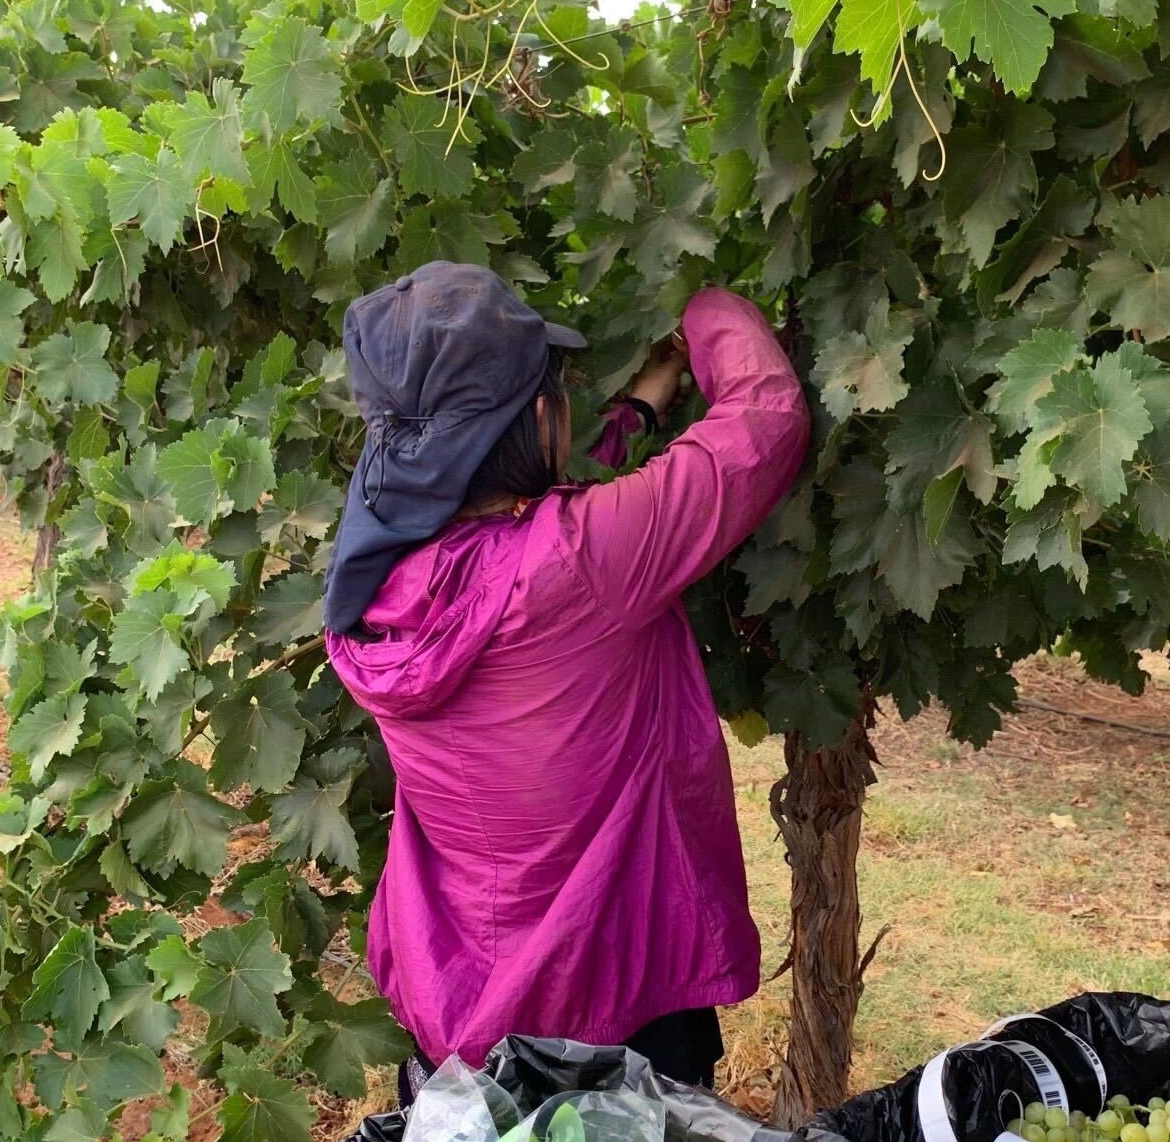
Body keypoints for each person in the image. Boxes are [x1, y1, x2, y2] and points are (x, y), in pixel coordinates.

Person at [324, 262, 810, 1099]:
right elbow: (766, 420)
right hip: (613, 1011)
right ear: (538, 420)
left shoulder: (374, 584)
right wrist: (707, 298)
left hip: (456, 1011)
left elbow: (530, 511)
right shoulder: (585, 563)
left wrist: (641, 410)